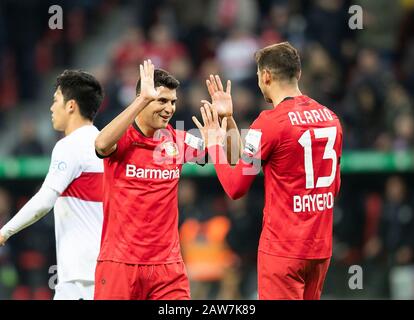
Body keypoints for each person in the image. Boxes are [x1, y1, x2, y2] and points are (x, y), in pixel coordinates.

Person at [193, 42, 343, 300]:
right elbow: (334, 187)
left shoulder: (269, 123)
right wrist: (229, 120)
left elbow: (235, 187)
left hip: (283, 252)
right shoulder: (331, 118)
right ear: (299, 74)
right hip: (319, 250)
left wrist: (214, 144)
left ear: (266, 76)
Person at [94, 60, 236, 300]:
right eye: (161, 100)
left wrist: (229, 121)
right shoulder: (123, 137)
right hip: (120, 263)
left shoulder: (178, 141)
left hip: (167, 268)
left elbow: (233, 158)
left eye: (172, 102)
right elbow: (100, 144)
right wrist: (141, 101)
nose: (169, 108)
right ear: (143, 99)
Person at [0, 70, 104, 300]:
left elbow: (44, 200)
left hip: (80, 274)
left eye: (56, 100)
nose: (51, 107)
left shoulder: (69, 146)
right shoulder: (104, 145)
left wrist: (4, 232)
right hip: (102, 267)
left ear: (71, 106)